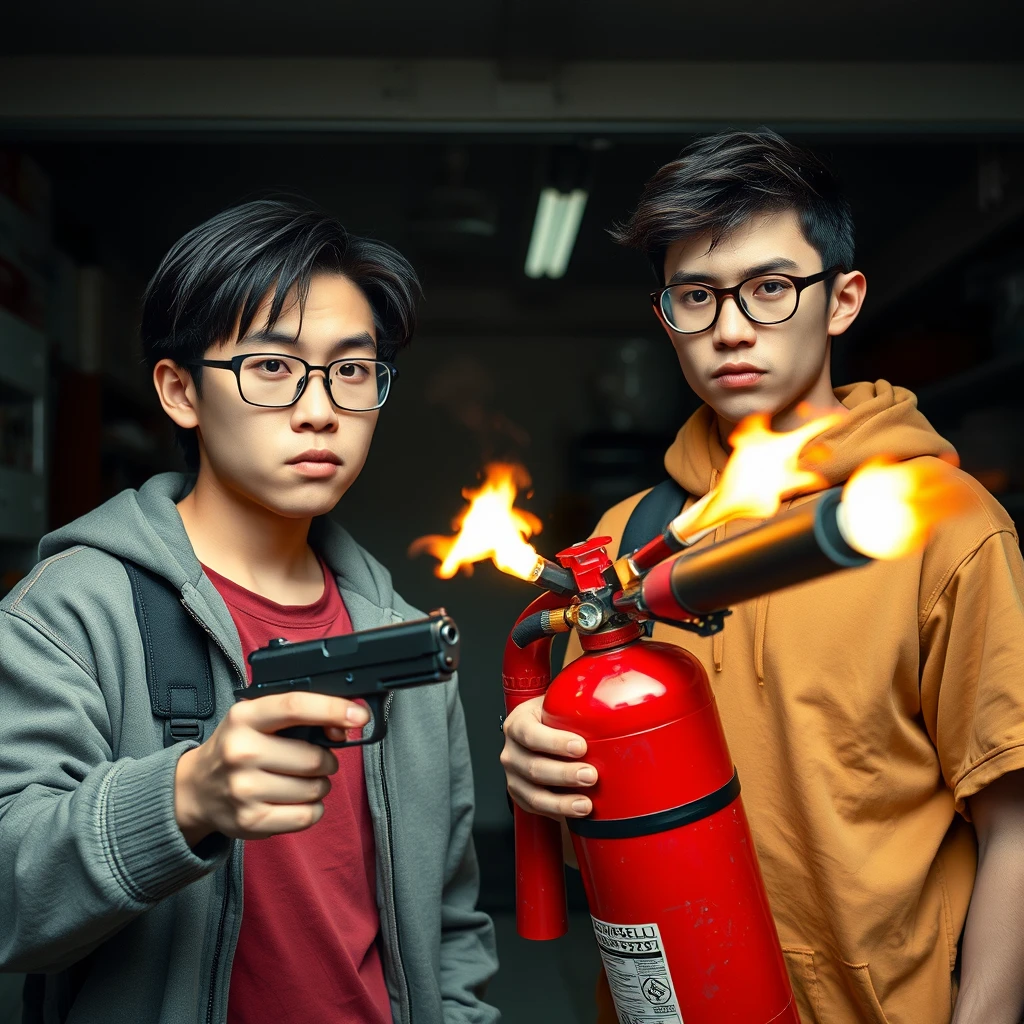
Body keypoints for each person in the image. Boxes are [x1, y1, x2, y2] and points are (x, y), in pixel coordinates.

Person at [500, 130, 1024, 1024]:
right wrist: (540, 773)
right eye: (695, 297)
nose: (731, 328)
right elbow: (608, 829)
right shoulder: (623, 541)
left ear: (843, 299)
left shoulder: (948, 525)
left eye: (771, 288)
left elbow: (1014, 828)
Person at [0, 199, 498, 1024]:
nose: (320, 408)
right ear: (179, 391)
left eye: (352, 369)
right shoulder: (72, 611)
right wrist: (183, 798)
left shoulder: (397, 637)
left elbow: (450, 927)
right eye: (272, 366)